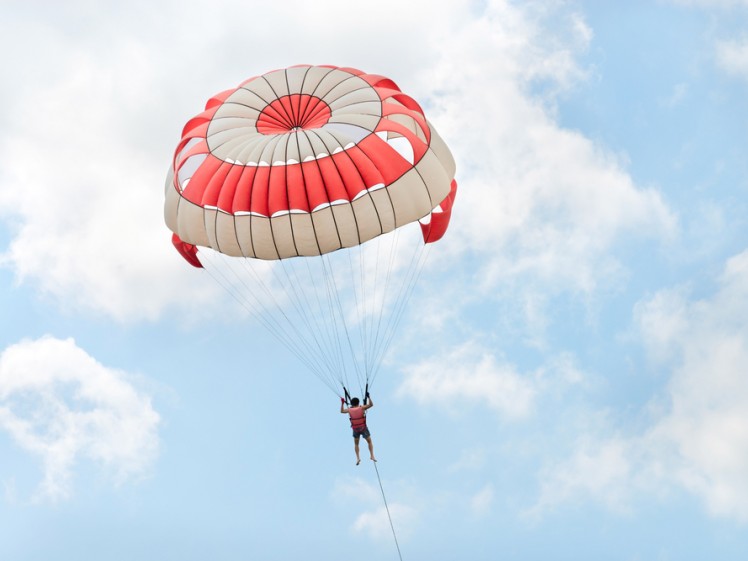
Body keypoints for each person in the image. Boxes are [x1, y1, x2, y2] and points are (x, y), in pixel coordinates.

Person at [340, 395, 376, 465]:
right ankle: (372, 455)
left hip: (355, 429)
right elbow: (371, 405)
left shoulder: (349, 410)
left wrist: (342, 403)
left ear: (351, 404)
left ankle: (358, 458)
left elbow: (342, 411)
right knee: (369, 441)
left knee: (356, 444)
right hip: (363, 428)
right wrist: (369, 397)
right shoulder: (362, 408)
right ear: (358, 403)